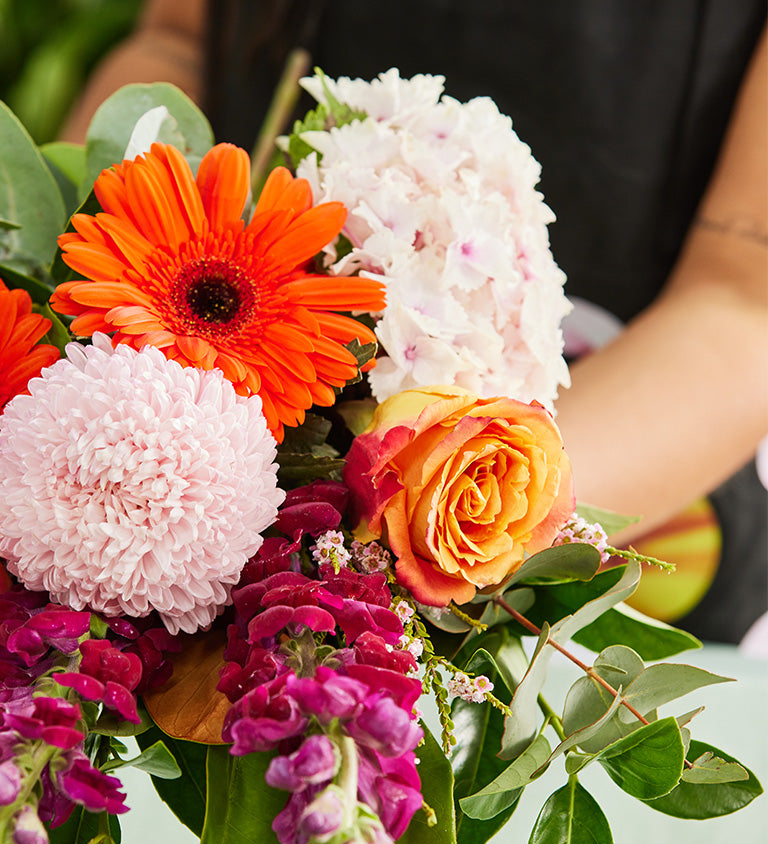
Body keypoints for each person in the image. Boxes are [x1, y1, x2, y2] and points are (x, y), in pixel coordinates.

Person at [62, 0, 768, 644]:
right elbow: (178, 38)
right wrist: (67, 336)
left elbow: (743, 303)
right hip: (202, 425)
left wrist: (381, 556)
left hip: (584, 544)